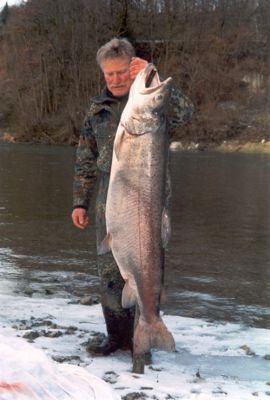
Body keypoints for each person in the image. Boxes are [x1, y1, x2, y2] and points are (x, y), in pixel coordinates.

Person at [71, 38, 193, 356]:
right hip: (109, 202)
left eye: (121, 72)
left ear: (132, 69)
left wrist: (153, 74)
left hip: (148, 201)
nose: (115, 79)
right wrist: (80, 202)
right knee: (110, 276)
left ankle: (147, 332)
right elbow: (85, 158)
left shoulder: (151, 105)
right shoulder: (96, 110)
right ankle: (117, 338)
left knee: (148, 267)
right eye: (109, 74)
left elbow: (186, 113)